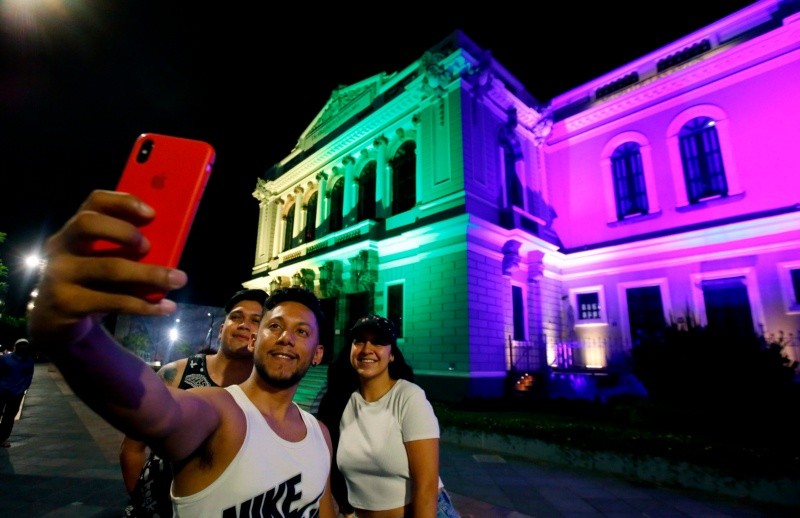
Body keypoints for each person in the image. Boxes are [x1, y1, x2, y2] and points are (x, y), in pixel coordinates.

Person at [26, 189, 336, 517]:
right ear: (254, 340)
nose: (286, 337)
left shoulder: (320, 434)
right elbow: (159, 410)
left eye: (301, 331)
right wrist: (74, 335)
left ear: (317, 354)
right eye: (274, 326)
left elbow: (324, 508)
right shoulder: (219, 411)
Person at [120, 287, 267, 517]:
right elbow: (132, 449)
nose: (243, 324)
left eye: (255, 320)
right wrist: (143, 502)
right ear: (221, 329)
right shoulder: (175, 375)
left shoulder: (263, 393)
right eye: (236, 317)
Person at [334, 314, 460, 518]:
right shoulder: (341, 403)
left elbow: (427, 487)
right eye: (359, 341)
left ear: (391, 354)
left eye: (378, 342)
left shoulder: (409, 397)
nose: (367, 349)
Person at [0, 338, 35, 448]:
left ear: (15, 347)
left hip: (2, 390)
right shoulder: (29, 360)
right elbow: (29, 377)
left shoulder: (5, 359)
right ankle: (2, 439)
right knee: (9, 417)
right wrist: (23, 388)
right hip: (17, 393)